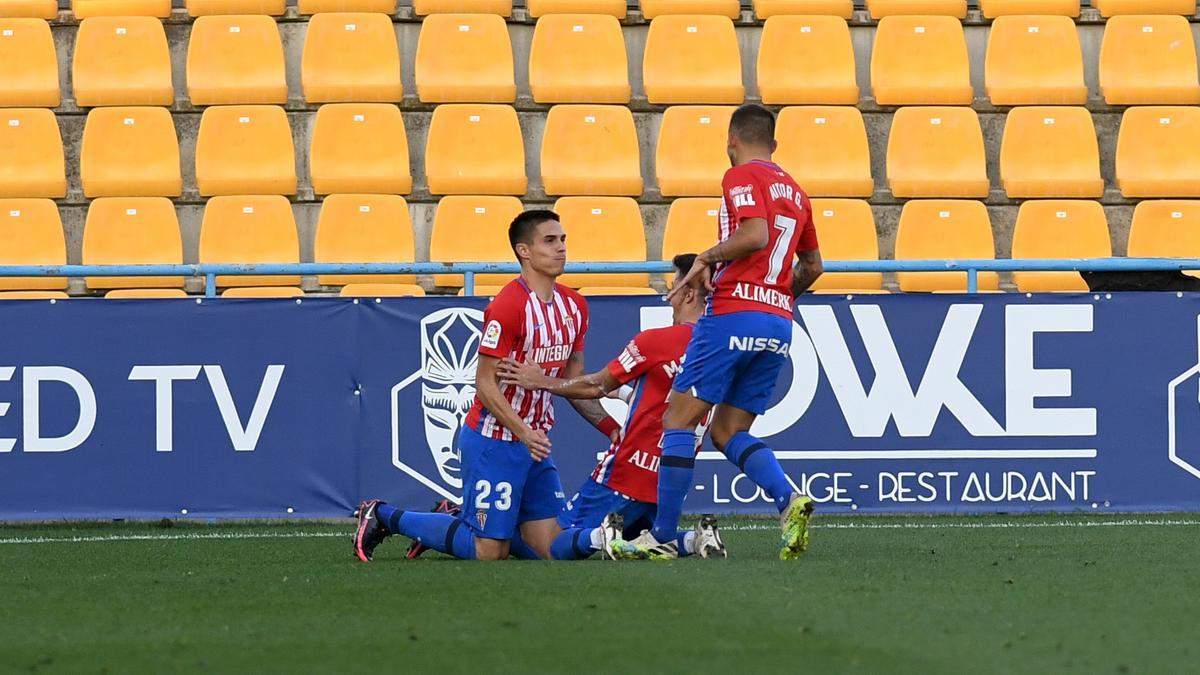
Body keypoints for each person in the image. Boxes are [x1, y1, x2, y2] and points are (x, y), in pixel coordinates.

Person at [352, 210, 621, 562]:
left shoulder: (576, 306)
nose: (561, 248)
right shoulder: (508, 306)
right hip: (495, 442)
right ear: (524, 251)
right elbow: (484, 385)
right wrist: (524, 431)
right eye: (550, 240)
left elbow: (572, 384)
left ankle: (460, 516)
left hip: (533, 443)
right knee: (489, 552)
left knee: (552, 550)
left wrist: (613, 430)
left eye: (563, 240)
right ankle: (385, 515)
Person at [626, 104, 825, 561]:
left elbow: (754, 234)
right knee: (727, 430)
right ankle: (788, 499)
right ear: (774, 144)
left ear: (731, 141)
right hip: (778, 324)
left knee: (677, 418)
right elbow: (813, 266)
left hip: (733, 313)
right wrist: (778, 298)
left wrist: (707, 257)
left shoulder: (738, 177)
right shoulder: (796, 191)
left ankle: (660, 533)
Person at [495, 253, 724, 560]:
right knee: (646, 539)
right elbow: (669, 397)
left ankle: (602, 535)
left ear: (688, 293)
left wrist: (541, 381)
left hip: (625, 472)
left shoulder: (657, 341)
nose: (669, 298)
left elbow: (596, 385)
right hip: (667, 477)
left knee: (554, 546)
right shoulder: (720, 350)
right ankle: (694, 540)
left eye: (672, 288)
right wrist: (623, 403)